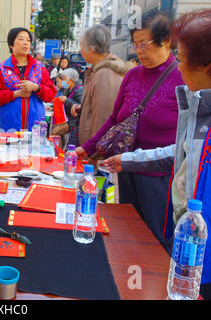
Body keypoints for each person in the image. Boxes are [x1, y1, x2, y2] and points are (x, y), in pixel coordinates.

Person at [102, 9, 211, 299]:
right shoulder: (199, 105)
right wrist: (125, 160)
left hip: (197, 245)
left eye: (184, 60)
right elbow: (181, 152)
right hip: (188, 241)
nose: (180, 68)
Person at [76, 11, 184, 249]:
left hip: (159, 178)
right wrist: (88, 148)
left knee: (156, 239)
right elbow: (114, 120)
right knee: (127, 233)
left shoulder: (183, 77)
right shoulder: (132, 75)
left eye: (145, 43)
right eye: (136, 44)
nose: (139, 50)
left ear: (166, 41)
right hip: (124, 169)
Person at [70, 24, 129, 149]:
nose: (80, 51)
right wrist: (84, 108)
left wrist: (94, 153)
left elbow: (103, 119)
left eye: (81, 46)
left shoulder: (105, 74)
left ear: (91, 49)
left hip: (95, 153)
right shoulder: (100, 71)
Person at [0, 27, 57, 132]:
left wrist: (36, 88)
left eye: (28, 40)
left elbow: (51, 94)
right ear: (11, 44)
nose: (25, 43)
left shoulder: (39, 68)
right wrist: (16, 94)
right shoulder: (1, 69)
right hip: (8, 128)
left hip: (34, 128)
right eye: (21, 39)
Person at [52, 68, 83, 147]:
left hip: (74, 122)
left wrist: (67, 100)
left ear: (70, 80)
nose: (63, 81)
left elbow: (81, 106)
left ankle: (58, 152)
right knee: (55, 127)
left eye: (65, 79)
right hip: (68, 119)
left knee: (55, 131)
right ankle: (60, 149)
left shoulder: (78, 90)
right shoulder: (69, 89)